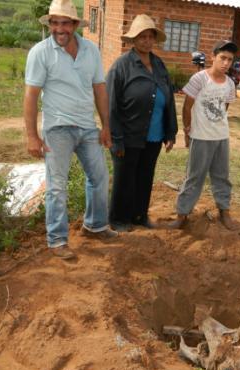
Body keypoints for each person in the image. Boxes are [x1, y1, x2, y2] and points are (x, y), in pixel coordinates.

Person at [24, 0, 117, 260]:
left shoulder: (91, 50)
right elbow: (31, 95)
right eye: (54, 22)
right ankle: (57, 240)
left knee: (99, 177)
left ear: (75, 25)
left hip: (87, 127)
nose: (59, 28)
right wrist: (33, 135)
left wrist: (106, 126)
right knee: (57, 186)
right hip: (57, 129)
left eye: (65, 23)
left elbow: (99, 88)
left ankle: (95, 226)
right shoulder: (40, 53)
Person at [106, 14, 178, 232]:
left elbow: (169, 97)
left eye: (150, 36)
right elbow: (111, 105)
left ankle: (140, 216)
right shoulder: (121, 66)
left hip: (154, 134)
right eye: (142, 37)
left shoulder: (159, 64)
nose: (147, 41)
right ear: (133, 40)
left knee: (145, 177)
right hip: (127, 134)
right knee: (125, 179)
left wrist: (170, 131)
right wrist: (115, 138)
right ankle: (119, 219)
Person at [169, 40, 238, 230]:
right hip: (200, 137)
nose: (225, 63)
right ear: (213, 57)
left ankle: (224, 211)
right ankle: (182, 215)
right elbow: (187, 106)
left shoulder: (230, 83)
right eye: (222, 58)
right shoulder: (199, 79)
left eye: (230, 60)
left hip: (221, 137)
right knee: (194, 177)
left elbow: (225, 107)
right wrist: (187, 130)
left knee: (222, 176)